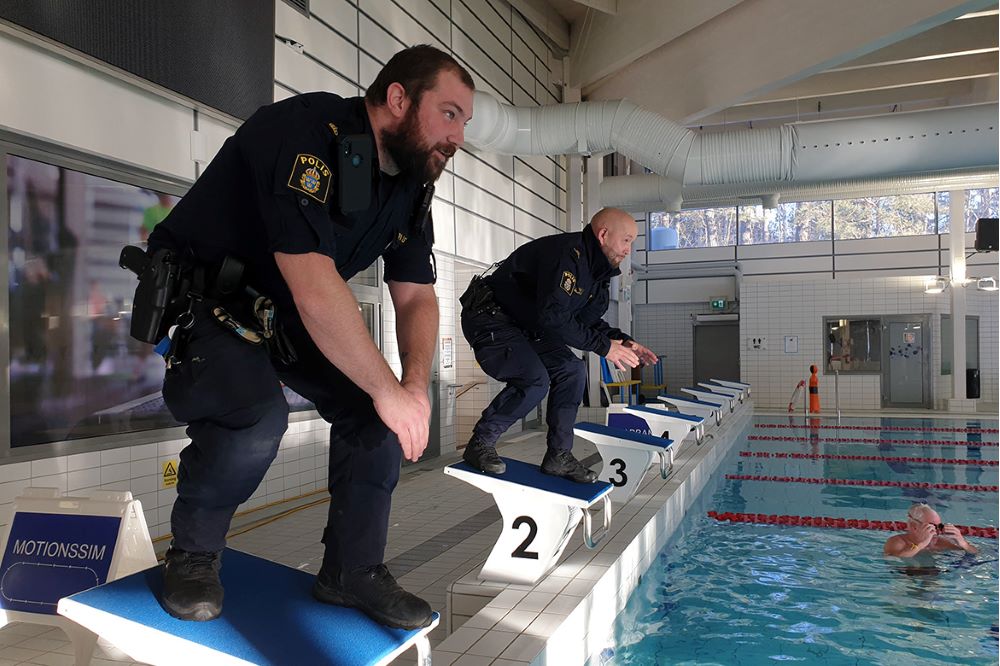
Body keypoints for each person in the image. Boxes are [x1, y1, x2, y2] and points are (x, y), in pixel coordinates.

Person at [142, 45, 474, 629]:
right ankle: (192, 555)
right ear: (398, 98)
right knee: (256, 415)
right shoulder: (306, 133)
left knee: (375, 413)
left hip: (285, 310)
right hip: (213, 300)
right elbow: (315, 284)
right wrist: (389, 388)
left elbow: (417, 293)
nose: (459, 137)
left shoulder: (411, 185)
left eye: (464, 122)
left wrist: (411, 386)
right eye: (449, 114)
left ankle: (351, 572)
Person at [459, 208, 659, 483]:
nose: (629, 250)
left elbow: (581, 321)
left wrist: (624, 341)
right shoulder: (567, 255)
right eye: (626, 240)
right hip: (491, 316)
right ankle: (481, 442)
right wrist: (604, 347)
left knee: (572, 369)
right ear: (603, 234)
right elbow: (553, 317)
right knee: (534, 379)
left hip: (528, 324)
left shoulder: (597, 275)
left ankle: (559, 456)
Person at [883, 502, 979, 557]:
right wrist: (921, 545)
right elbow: (897, 558)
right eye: (931, 527)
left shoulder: (941, 542)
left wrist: (963, 543)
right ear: (914, 526)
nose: (937, 532)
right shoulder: (897, 542)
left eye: (939, 526)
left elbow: (976, 554)